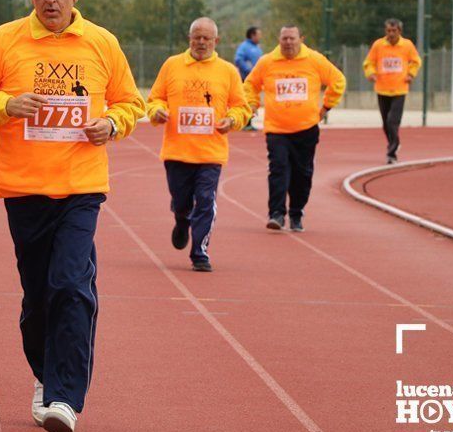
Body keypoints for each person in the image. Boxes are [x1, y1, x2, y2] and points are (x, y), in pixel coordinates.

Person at [0, 0, 145, 432]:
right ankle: (46, 375)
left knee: (72, 286)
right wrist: (6, 104)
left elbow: (130, 103)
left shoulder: (102, 43)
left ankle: (65, 398)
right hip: (23, 189)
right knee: (38, 297)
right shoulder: (5, 40)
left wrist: (111, 124)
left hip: (81, 188)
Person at [146, 17, 251, 272]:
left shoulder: (227, 71)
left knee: (205, 200)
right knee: (181, 201)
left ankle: (199, 252)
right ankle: (181, 219)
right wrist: (158, 111)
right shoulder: (172, 65)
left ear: (216, 41)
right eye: (197, 37)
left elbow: (241, 107)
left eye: (206, 38)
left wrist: (233, 120)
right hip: (177, 151)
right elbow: (155, 98)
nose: (201, 42)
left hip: (210, 152)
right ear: (189, 38)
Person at [243, 24, 345, 232]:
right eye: (284, 39)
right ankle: (277, 214)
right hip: (276, 129)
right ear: (279, 40)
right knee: (278, 169)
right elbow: (250, 85)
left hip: (306, 128)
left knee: (302, 174)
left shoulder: (314, 60)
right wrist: (252, 105)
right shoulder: (267, 62)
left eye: (292, 38)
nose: (288, 42)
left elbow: (338, 80)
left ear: (301, 39)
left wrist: (325, 107)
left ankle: (296, 212)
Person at [362, 18, 422, 164]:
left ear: (399, 31)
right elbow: (369, 62)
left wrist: (410, 74)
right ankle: (394, 143)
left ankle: (392, 152)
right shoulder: (379, 45)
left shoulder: (406, 45)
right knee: (385, 123)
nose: (391, 34)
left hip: (399, 89)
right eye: (388, 30)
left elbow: (416, 61)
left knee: (392, 121)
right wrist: (371, 73)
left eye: (394, 31)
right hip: (382, 88)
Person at [235, 27, 262, 131]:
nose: (260, 37)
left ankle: (250, 122)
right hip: (246, 79)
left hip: (256, 80)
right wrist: (249, 70)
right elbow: (238, 59)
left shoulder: (257, 47)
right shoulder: (244, 47)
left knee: (252, 101)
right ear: (252, 35)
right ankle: (245, 123)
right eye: (258, 34)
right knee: (245, 100)